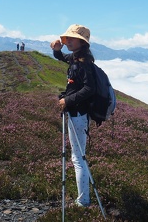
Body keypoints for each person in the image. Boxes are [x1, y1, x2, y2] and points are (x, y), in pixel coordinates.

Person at [50, 24, 96, 207]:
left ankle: (83, 200)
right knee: (78, 156)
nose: (67, 41)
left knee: (78, 158)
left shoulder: (83, 63)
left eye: (71, 38)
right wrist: (56, 50)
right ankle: (83, 197)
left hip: (78, 115)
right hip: (78, 113)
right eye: (66, 38)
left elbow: (89, 88)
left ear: (81, 42)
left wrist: (67, 101)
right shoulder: (78, 58)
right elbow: (63, 58)